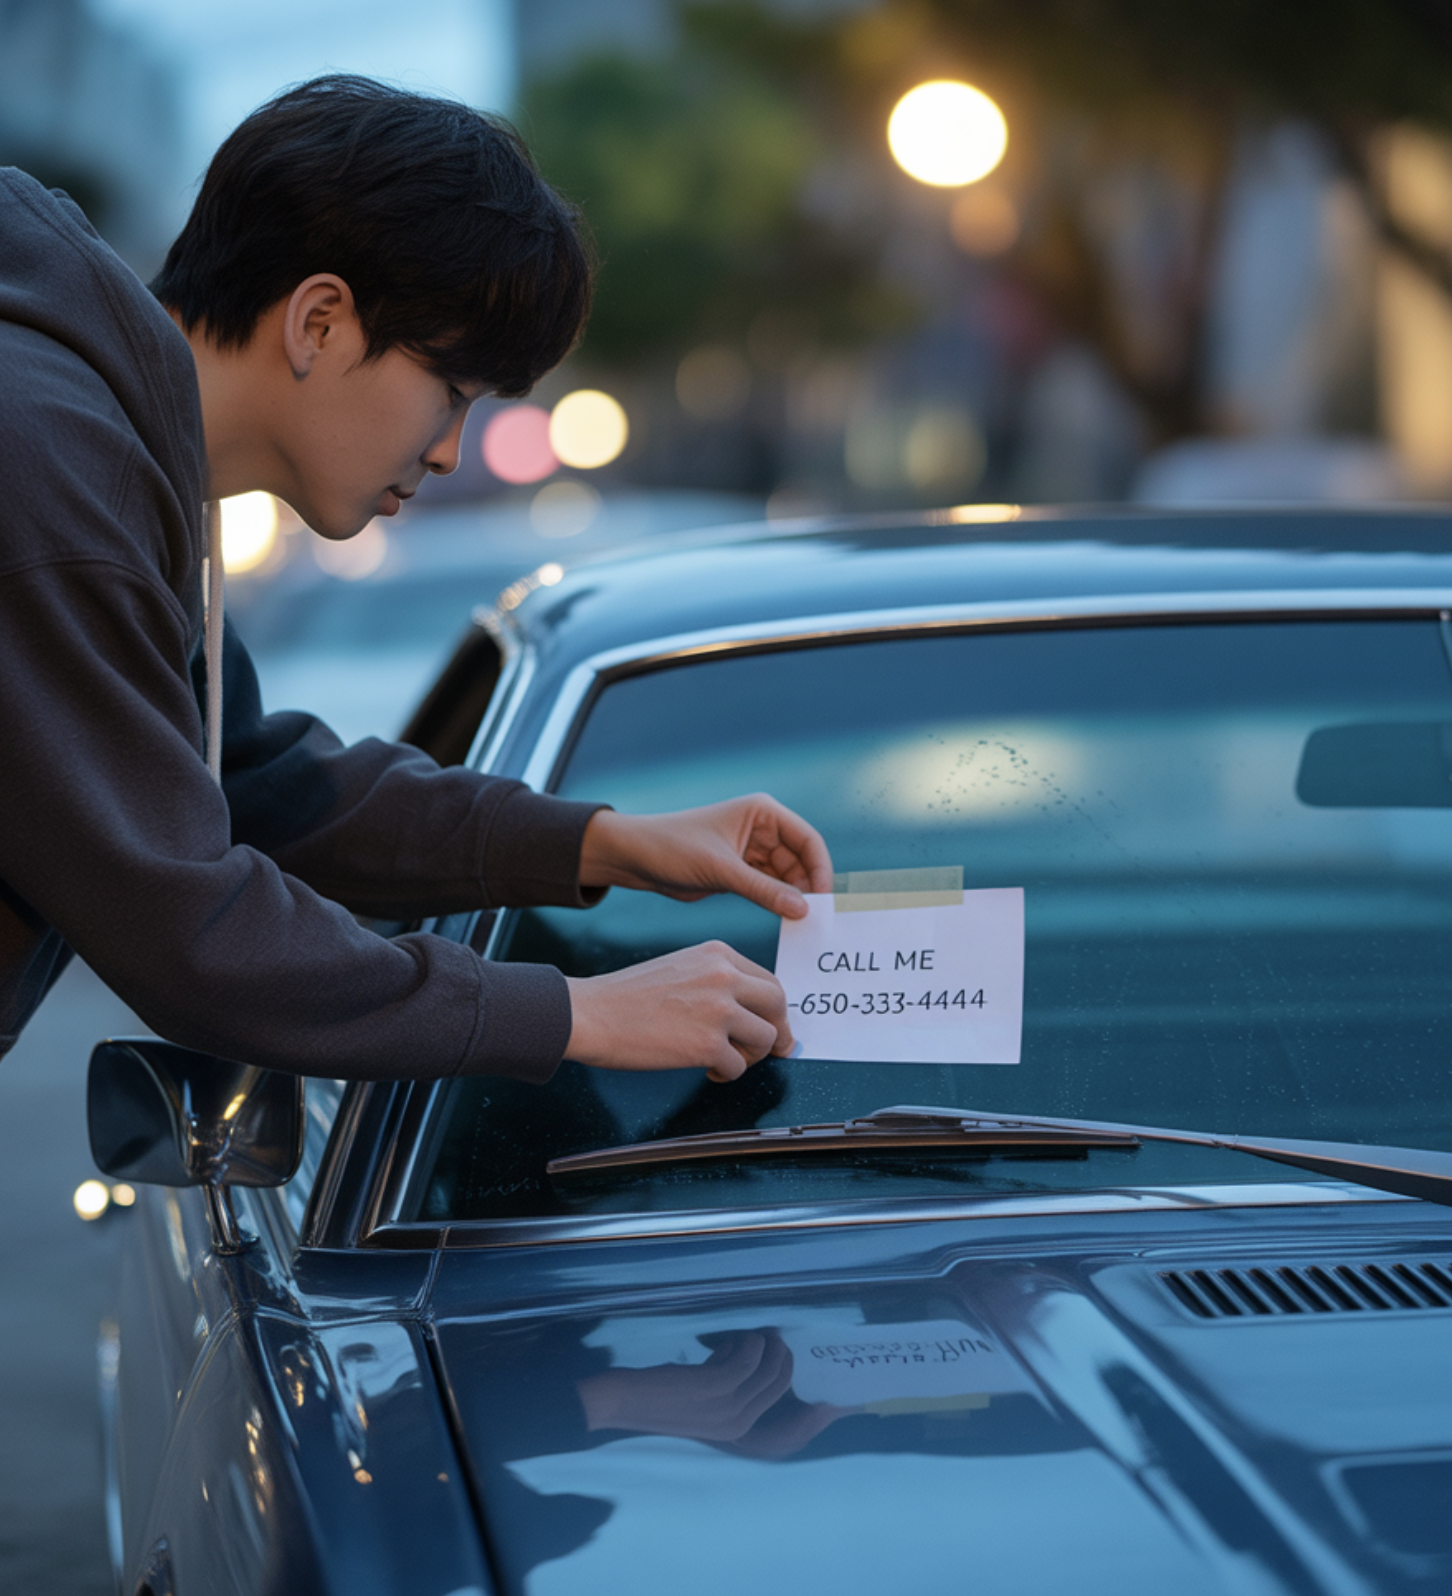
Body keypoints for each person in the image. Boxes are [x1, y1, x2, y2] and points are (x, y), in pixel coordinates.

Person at [0, 74, 831, 1089]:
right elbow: (188, 924)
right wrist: (577, 1012)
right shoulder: (53, 471)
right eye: (452, 392)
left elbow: (255, 784)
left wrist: (610, 843)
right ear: (319, 323)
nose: (449, 454)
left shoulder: (104, 448)